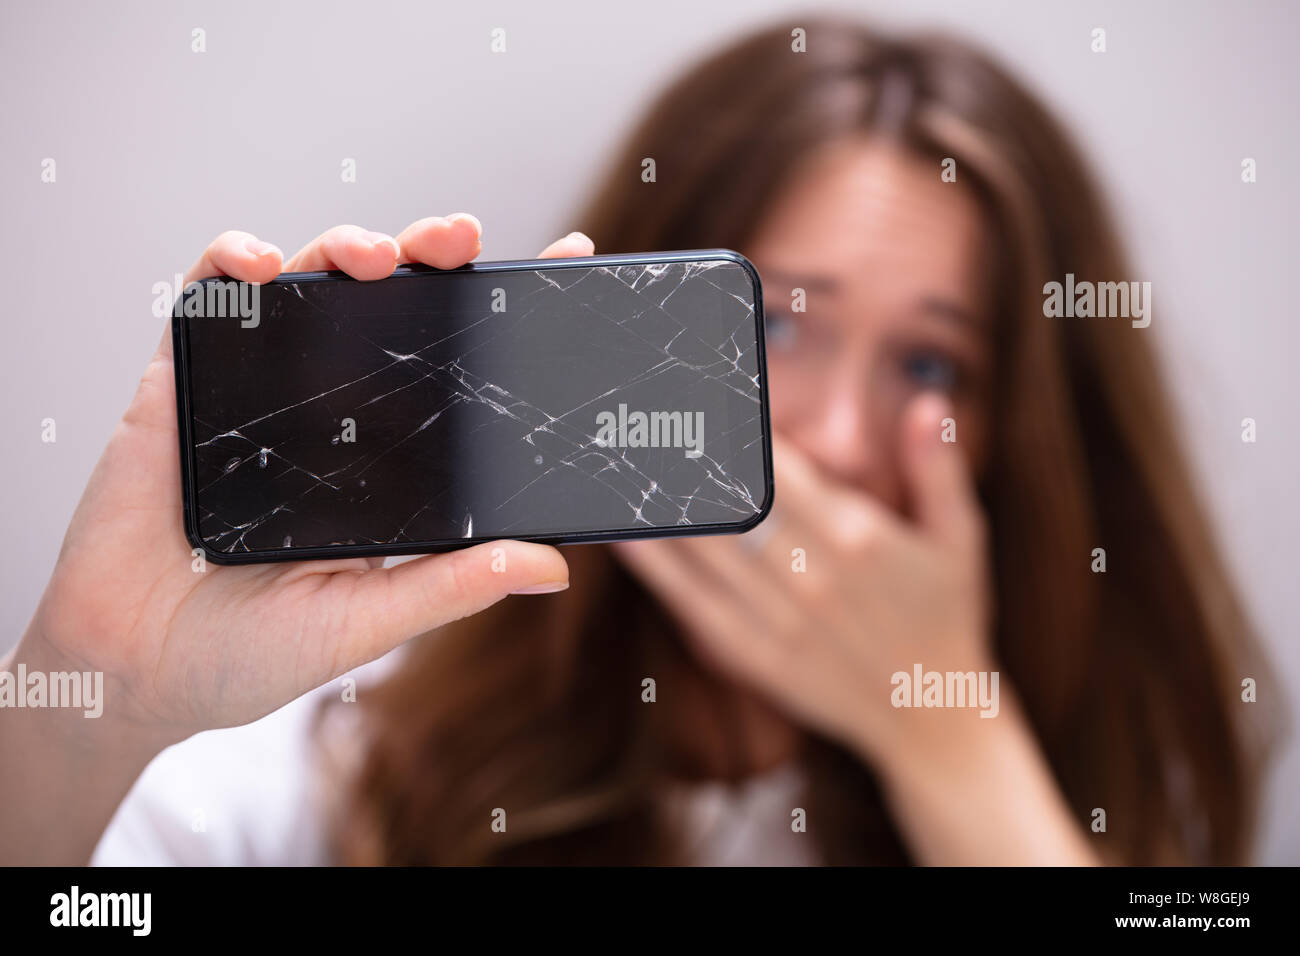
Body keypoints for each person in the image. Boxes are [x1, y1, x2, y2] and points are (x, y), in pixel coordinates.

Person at [1, 18, 1274, 866]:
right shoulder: (344, 759)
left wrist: (948, 741)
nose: (830, 438)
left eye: (931, 363)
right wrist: (91, 695)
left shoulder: (1099, 775)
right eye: (776, 323)